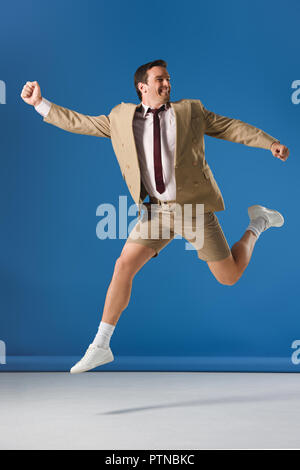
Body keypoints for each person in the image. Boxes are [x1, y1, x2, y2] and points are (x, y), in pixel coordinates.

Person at [20, 59, 289, 374]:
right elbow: (82, 123)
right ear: (142, 86)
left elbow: (229, 127)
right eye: (160, 79)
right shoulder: (121, 118)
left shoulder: (190, 111)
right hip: (156, 212)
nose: (167, 84)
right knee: (123, 265)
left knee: (228, 276)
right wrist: (40, 104)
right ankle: (101, 345)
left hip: (192, 209)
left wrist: (268, 142)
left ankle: (259, 222)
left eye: (169, 79)